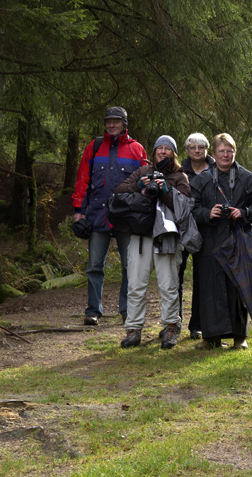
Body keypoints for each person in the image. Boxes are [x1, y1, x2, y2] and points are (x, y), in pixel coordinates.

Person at [191, 133, 252, 350]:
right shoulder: (202, 180)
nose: (226, 155)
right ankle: (211, 337)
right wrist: (208, 213)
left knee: (238, 289)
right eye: (221, 151)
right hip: (210, 242)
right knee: (209, 289)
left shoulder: (246, 178)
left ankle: (239, 337)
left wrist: (242, 212)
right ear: (213, 154)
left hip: (238, 241)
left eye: (230, 151)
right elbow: (190, 208)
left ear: (235, 152)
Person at [72, 107, 147, 326]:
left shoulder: (137, 149)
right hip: (97, 216)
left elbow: (143, 185)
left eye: (116, 122)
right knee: (95, 265)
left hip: (126, 218)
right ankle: (93, 310)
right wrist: (78, 212)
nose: (112, 125)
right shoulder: (94, 148)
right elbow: (82, 181)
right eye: (108, 122)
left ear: (124, 124)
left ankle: (126, 309)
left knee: (128, 265)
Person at [116, 135, 191, 350]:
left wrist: (166, 191)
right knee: (136, 285)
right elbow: (119, 192)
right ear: (154, 151)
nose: (163, 151)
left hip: (166, 236)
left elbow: (185, 206)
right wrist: (139, 186)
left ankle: (170, 327)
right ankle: (133, 329)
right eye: (160, 148)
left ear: (174, 153)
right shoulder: (143, 171)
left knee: (168, 286)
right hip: (141, 236)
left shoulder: (179, 176)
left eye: (168, 148)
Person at [180, 133, 215, 340]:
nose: (196, 151)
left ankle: (198, 324)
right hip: (183, 229)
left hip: (207, 227)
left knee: (202, 279)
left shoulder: (216, 168)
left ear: (207, 149)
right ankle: (173, 323)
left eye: (201, 147)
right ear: (187, 150)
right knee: (176, 276)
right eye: (192, 147)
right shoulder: (179, 169)